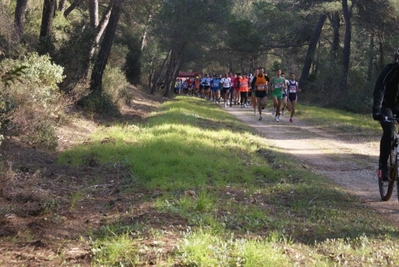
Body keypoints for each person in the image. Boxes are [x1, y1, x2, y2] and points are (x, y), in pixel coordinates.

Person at [372, 48, 399, 181]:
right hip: (386, 105)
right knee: (389, 131)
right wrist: (376, 109)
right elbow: (379, 89)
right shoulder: (389, 70)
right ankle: (383, 166)